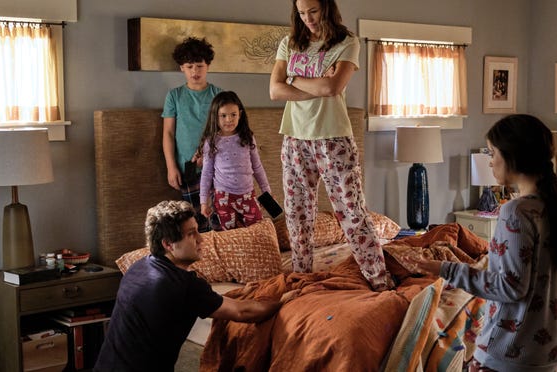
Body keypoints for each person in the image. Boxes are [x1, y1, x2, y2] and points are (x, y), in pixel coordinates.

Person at [410, 114, 557, 371]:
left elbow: (510, 287)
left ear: (513, 155)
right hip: (548, 352)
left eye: (493, 153)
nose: (490, 162)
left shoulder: (516, 211)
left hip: (509, 353)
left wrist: (445, 269)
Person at [269, 0, 389, 291]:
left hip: (333, 139)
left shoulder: (347, 42)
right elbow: (275, 90)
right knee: (297, 215)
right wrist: (317, 82)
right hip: (295, 138)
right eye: (301, 13)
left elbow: (332, 88)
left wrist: (294, 78)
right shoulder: (290, 43)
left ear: (326, 7)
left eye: (313, 11)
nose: (307, 18)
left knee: (352, 212)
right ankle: (301, 280)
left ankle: (380, 281)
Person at [94, 200, 298, 371]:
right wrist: (282, 303)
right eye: (191, 234)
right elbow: (243, 313)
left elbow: (211, 303)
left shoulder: (138, 268)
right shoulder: (183, 285)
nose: (201, 239)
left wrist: (242, 292)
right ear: (168, 244)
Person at [162, 36, 222, 232]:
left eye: (199, 66)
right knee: (198, 220)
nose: (195, 71)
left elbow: (225, 132)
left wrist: (209, 155)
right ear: (181, 68)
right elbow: (169, 133)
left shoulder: (218, 95)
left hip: (217, 167)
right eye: (189, 66)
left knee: (219, 218)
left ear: (208, 65)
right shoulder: (175, 96)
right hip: (188, 168)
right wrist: (171, 167)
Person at [198, 91, 272, 230]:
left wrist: (266, 189)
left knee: (257, 229)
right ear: (215, 117)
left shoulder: (247, 137)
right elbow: (206, 173)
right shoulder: (212, 141)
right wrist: (204, 202)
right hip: (223, 196)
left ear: (240, 114)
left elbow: (257, 166)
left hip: (247, 193)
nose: (229, 120)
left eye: (233, 115)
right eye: (223, 115)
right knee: (230, 234)